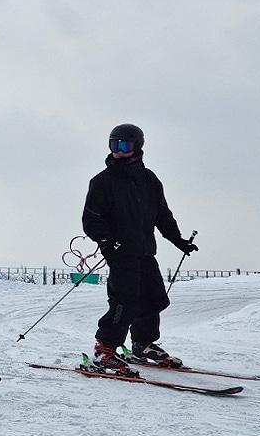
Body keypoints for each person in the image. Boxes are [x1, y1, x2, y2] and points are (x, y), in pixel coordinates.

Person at [82, 124, 198, 372]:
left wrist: (178, 240)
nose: (118, 151)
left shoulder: (149, 180)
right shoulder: (102, 182)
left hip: (145, 250)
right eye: (114, 145)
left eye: (124, 145)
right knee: (124, 301)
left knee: (153, 299)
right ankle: (105, 349)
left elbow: (162, 215)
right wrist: (105, 241)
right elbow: (91, 218)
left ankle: (143, 344)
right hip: (120, 252)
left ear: (137, 147)